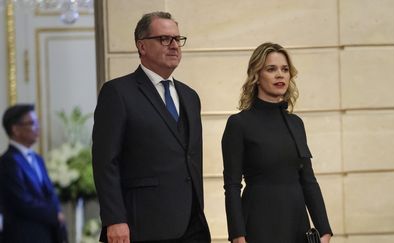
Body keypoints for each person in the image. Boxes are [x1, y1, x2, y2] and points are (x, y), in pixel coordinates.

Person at [92, 11, 211, 243]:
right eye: (165, 39)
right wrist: (114, 219)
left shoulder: (190, 96)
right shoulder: (118, 92)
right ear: (142, 46)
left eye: (178, 39)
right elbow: (105, 162)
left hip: (191, 225)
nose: (174, 45)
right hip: (142, 225)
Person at [222, 42, 333, 243]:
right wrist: (237, 236)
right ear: (256, 76)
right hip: (259, 224)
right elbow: (231, 185)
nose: (280, 75)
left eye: (284, 69)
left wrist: (324, 230)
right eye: (271, 69)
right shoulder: (238, 124)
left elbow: (308, 180)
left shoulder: (296, 123)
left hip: (297, 226)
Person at [0, 104, 67, 243]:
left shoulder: (37, 158)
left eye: (37, 122)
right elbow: (21, 201)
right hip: (24, 235)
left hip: (48, 233)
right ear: (15, 129)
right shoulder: (7, 161)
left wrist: (57, 212)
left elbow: (49, 192)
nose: (37, 127)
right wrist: (54, 215)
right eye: (32, 123)